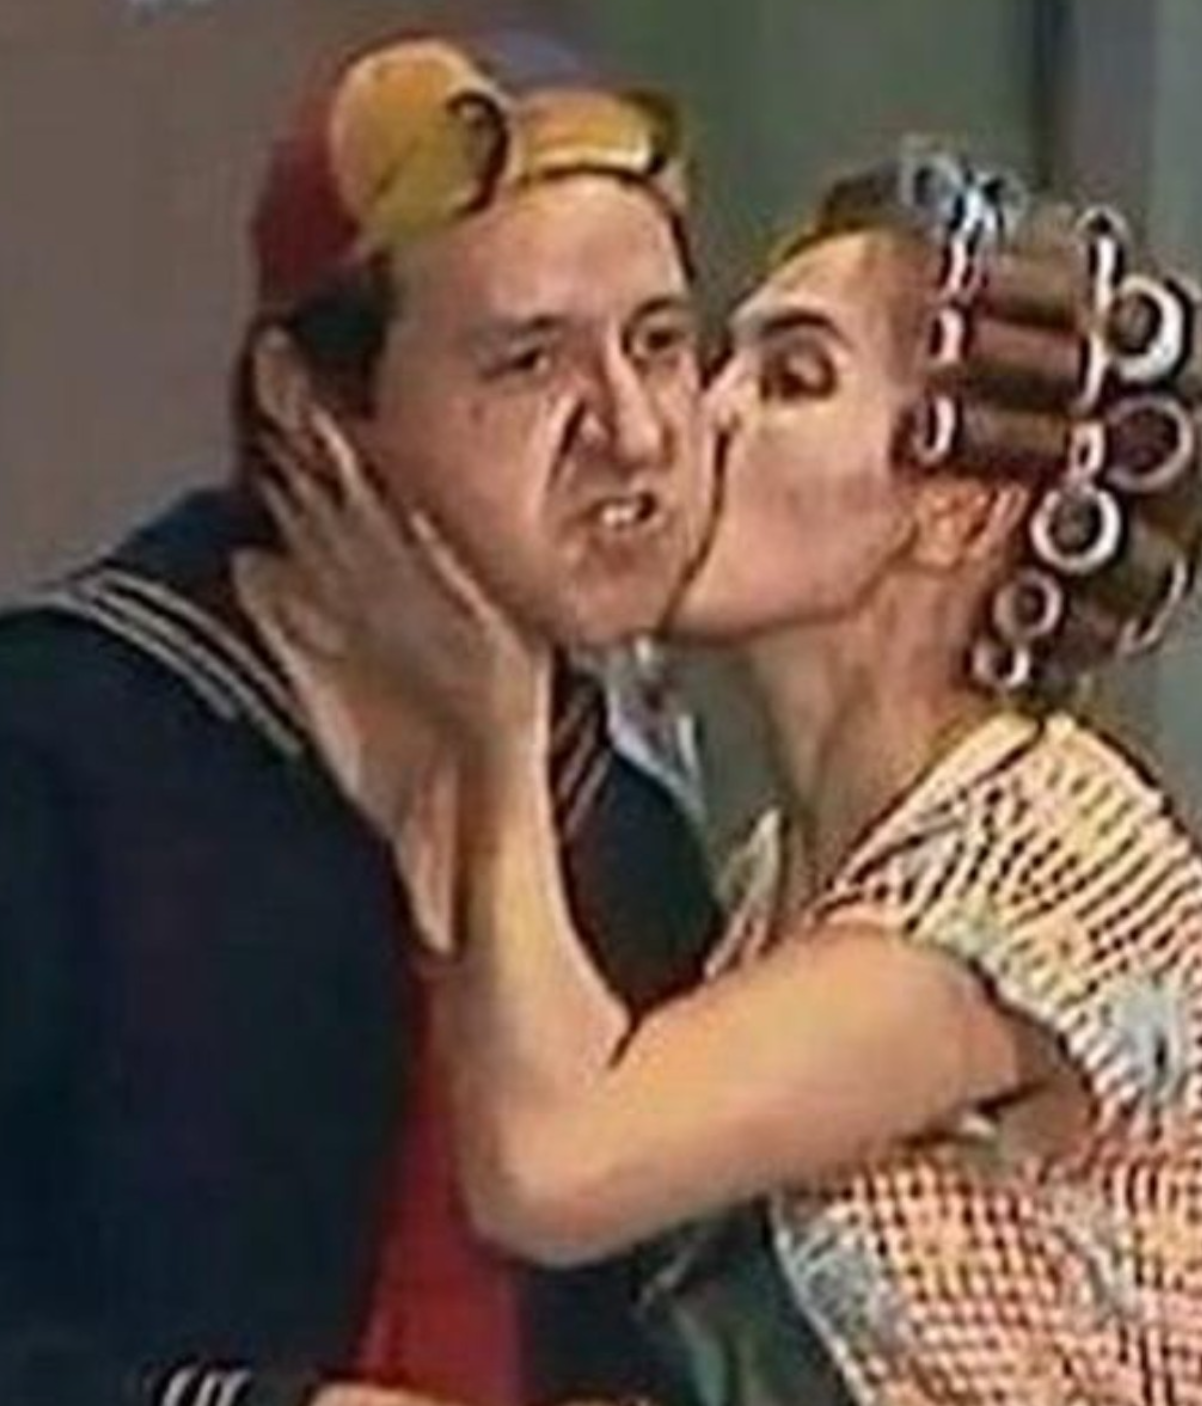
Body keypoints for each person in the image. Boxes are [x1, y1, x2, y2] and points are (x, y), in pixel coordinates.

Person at [260, 149, 1202, 1405]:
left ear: (955, 514)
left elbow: (551, 1165)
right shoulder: (782, 874)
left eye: (793, 378)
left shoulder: (1053, 856)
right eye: (717, 360)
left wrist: (499, 712)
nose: (696, 420)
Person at [0, 33, 727, 1406]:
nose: (633, 433)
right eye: (528, 362)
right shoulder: (62, 752)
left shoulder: (621, 835)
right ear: (311, 405)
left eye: (660, 345)